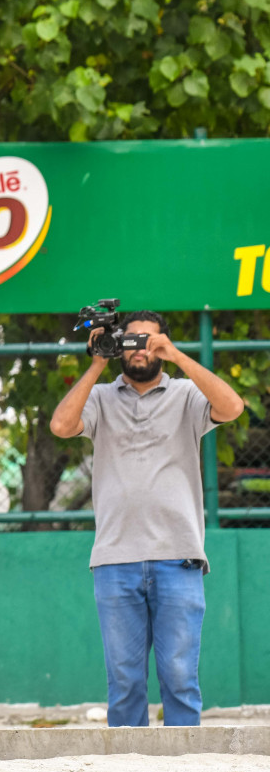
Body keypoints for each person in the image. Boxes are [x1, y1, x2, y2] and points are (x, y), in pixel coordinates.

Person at [49, 311, 244, 727]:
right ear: (119, 346)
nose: (141, 349)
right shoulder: (100, 397)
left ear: (164, 343)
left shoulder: (188, 395)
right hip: (115, 558)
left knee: (179, 678)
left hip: (179, 555)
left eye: (149, 340)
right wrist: (98, 361)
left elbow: (232, 407)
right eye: (131, 340)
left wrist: (177, 357)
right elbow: (62, 426)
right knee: (124, 680)